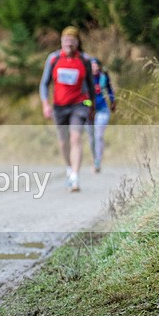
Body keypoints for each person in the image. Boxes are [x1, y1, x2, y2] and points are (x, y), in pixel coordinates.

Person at [39, 26, 96, 192]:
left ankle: (75, 177)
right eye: (66, 40)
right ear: (61, 42)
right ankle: (70, 169)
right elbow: (44, 84)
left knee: (75, 138)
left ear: (78, 43)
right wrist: (45, 104)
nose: (68, 43)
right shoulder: (54, 59)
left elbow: (91, 86)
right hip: (59, 107)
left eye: (72, 40)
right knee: (63, 142)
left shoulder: (84, 60)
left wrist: (91, 105)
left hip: (79, 105)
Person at [85, 58, 116, 172]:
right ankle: (94, 158)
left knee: (99, 135)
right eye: (92, 66)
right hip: (88, 111)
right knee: (91, 137)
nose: (95, 68)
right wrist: (88, 105)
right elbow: (82, 98)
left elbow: (110, 91)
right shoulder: (85, 79)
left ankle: (98, 161)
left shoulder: (104, 77)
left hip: (102, 109)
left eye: (96, 65)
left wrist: (113, 102)